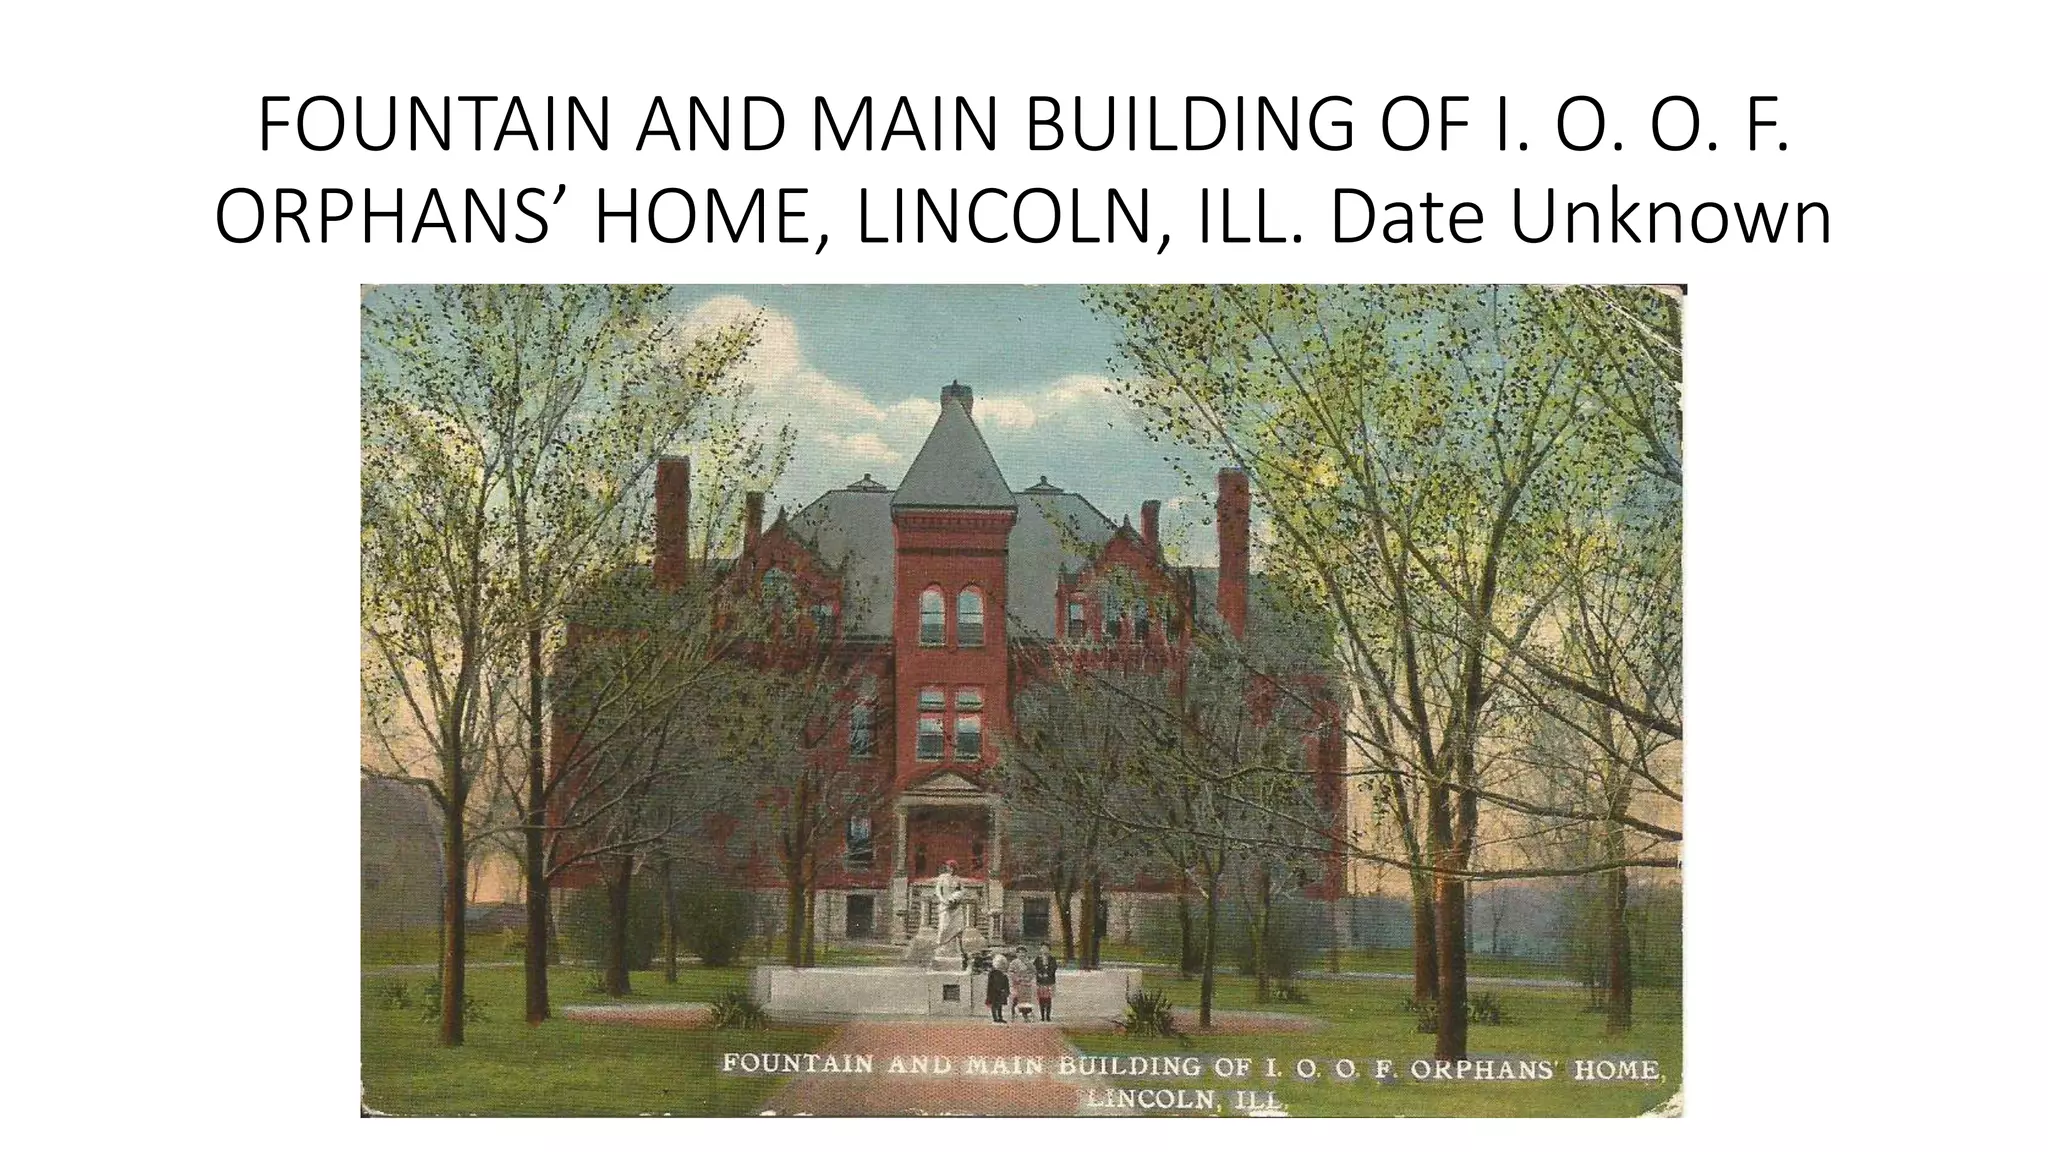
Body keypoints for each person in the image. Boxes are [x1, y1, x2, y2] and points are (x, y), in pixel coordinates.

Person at [933, 860, 968, 967]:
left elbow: (962, 891)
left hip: (955, 907)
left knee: (957, 929)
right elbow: (938, 890)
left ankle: (956, 950)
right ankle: (941, 948)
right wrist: (943, 900)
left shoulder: (958, 879)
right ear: (947, 868)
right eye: (949, 867)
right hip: (945, 906)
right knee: (943, 927)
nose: (951, 869)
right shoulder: (942, 877)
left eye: (953, 867)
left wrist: (956, 898)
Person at [1007, 949, 1037, 1021]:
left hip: (1026, 984)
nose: (1022, 954)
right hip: (1017, 984)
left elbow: (1033, 971)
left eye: (1023, 953)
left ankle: (1025, 1015)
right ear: (1017, 954)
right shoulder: (1014, 963)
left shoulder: (1029, 962)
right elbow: (1010, 972)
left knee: (1025, 1001)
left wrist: (1029, 978)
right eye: (1020, 953)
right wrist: (1016, 978)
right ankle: (1013, 1014)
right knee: (1015, 999)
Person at [1033, 944, 1058, 1022]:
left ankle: (1048, 1016)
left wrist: (1048, 974)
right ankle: (1042, 1016)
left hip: (1049, 981)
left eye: (1046, 948)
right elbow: (1035, 968)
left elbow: (1054, 968)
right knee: (1041, 999)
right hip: (1040, 981)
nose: (1044, 950)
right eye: (1042, 948)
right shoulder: (1037, 959)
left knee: (1048, 999)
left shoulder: (1052, 959)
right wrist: (1039, 974)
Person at [984, 950, 1010, 1023]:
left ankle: (1000, 1017)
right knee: (994, 1006)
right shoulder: (992, 974)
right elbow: (991, 984)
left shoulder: (1003, 974)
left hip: (1001, 992)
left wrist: (1006, 991)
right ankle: (995, 1018)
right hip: (994, 992)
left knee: (1000, 1005)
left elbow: (1006, 983)